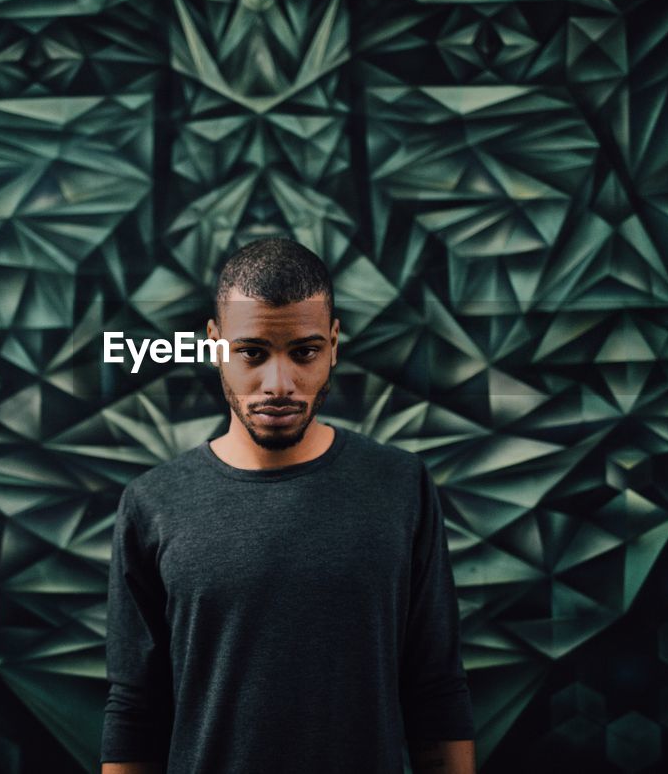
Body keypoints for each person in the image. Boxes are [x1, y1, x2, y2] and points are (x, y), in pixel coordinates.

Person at [100, 237, 476, 774]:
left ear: (334, 344)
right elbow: (135, 710)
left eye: (304, 352)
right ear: (214, 344)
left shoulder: (401, 485)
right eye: (252, 352)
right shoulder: (152, 503)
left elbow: (436, 691)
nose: (279, 384)